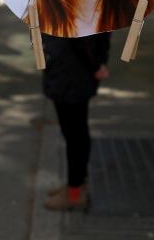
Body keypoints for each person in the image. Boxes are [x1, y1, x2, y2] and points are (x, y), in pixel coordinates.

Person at [42, 31, 110, 211]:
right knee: (75, 133)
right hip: (70, 70)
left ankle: (74, 191)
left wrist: (96, 66)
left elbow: (81, 39)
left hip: (71, 73)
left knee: (75, 135)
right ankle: (76, 184)